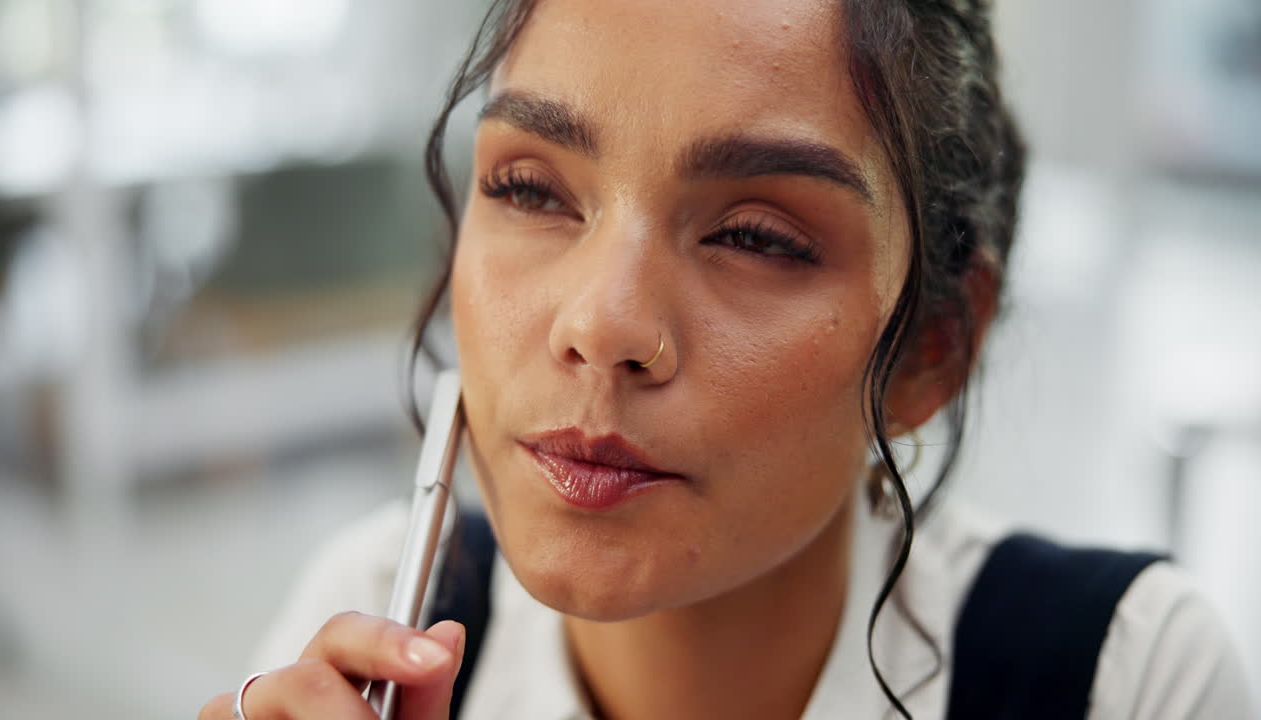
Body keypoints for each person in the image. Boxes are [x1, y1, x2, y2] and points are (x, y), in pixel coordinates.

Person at [199, 1, 1255, 718]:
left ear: (932, 346)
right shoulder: (376, 612)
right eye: (528, 189)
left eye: (754, 236)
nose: (601, 325)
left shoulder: (1121, 676)